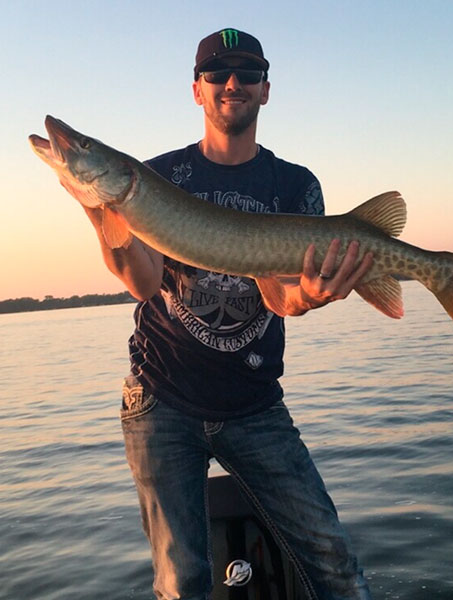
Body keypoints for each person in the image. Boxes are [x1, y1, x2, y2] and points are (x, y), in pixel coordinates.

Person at [84, 28, 374, 600]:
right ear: (198, 90)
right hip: (161, 398)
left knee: (334, 564)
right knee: (181, 582)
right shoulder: (157, 178)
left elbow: (280, 297)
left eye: (247, 73)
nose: (232, 83)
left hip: (254, 403)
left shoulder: (294, 185)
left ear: (266, 90)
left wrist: (309, 297)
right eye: (217, 74)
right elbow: (143, 285)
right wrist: (102, 212)